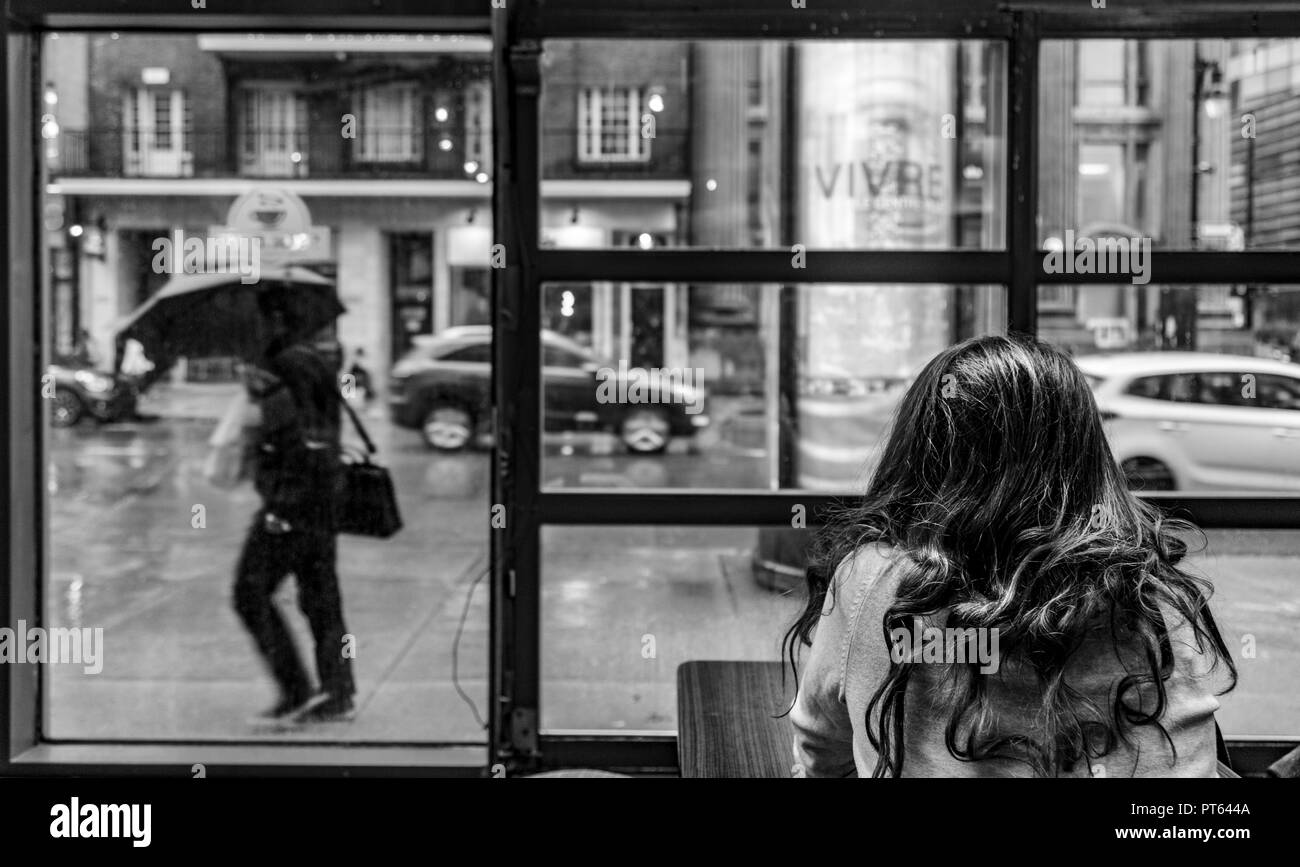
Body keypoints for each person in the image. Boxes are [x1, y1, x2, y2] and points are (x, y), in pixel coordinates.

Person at [785, 334, 1237, 778]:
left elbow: (820, 750)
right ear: (1086, 457)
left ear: (920, 452)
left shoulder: (875, 582)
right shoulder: (1147, 596)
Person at [233, 308, 356, 724]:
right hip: (321, 499)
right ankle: (337, 692)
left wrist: (280, 508)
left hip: (294, 504)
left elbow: (292, 440)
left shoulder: (280, 367)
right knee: (320, 597)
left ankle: (295, 690)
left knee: (249, 594)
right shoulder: (310, 359)